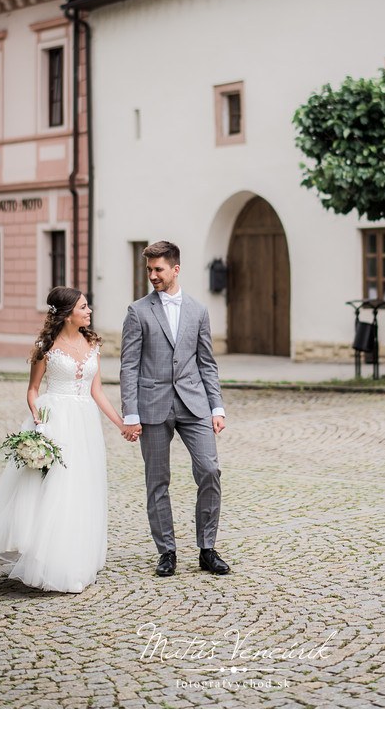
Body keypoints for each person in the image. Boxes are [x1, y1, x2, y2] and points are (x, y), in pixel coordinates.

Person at [0, 287, 128, 593]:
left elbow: (97, 391)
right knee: (53, 490)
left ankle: (75, 559)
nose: (89, 312)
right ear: (66, 314)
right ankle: (48, 561)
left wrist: (120, 424)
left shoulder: (92, 342)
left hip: (85, 425)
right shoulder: (45, 346)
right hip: (55, 420)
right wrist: (37, 418)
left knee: (81, 488)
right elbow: (33, 390)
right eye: (84, 307)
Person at [120, 240, 230, 577]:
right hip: (152, 407)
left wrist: (217, 406)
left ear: (175, 269)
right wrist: (131, 413)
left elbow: (207, 363)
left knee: (209, 470)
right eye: (149, 269)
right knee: (157, 481)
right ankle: (166, 551)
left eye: (158, 269)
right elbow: (129, 366)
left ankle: (207, 549)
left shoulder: (198, 310)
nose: (152, 275)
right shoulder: (138, 311)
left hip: (194, 403)